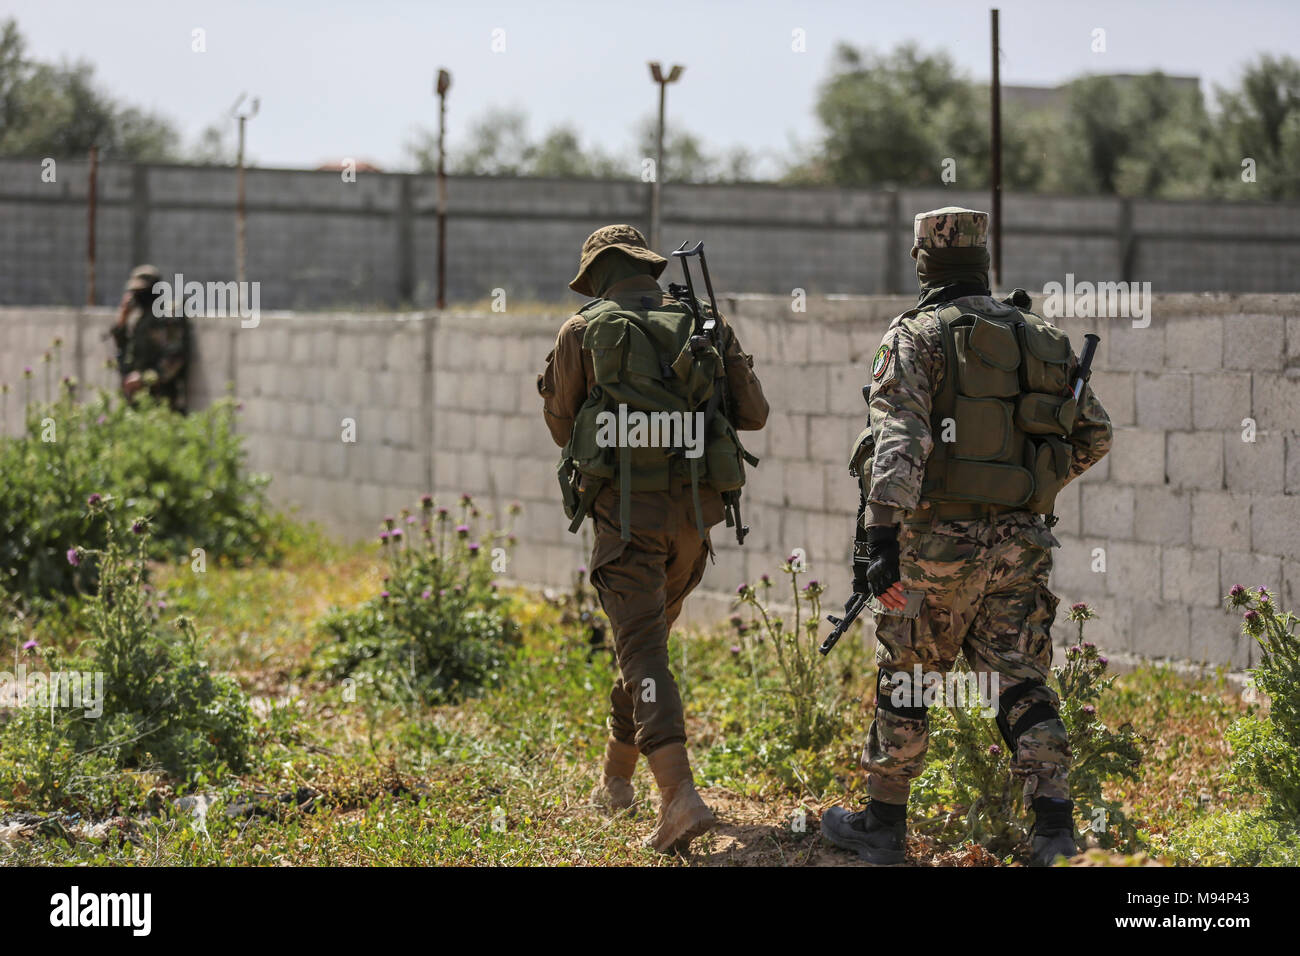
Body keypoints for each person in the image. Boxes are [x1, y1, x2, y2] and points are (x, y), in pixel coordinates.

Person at [821, 207, 1112, 867]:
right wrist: (1031, 488)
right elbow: (1094, 433)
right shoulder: (1040, 337)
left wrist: (884, 537)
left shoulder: (915, 335)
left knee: (911, 678)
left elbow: (900, 437)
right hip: (1020, 545)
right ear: (984, 260)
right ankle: (1055, 833)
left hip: (932, 548)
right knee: (1019, 681)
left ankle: (884, 826)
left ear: (923, 260)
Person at [538, 224, 769, 854]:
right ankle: (616, 782)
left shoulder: (583, 330)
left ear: (598, 277)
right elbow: (754, 415)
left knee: (643, 653)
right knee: (642, 644)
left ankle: (678, 796)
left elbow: (562, 427)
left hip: (627, 524)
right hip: (695, 522)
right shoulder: (703, 326)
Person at [110, 264, 190, 411]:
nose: (137, 296)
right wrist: (122, 319)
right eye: (134, 292)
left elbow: (175, 357)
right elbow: (123, 348)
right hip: (138, 398)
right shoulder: (139, 319)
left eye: (141, 291)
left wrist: (145, 378)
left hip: (163, 399)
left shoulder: (168, 314)